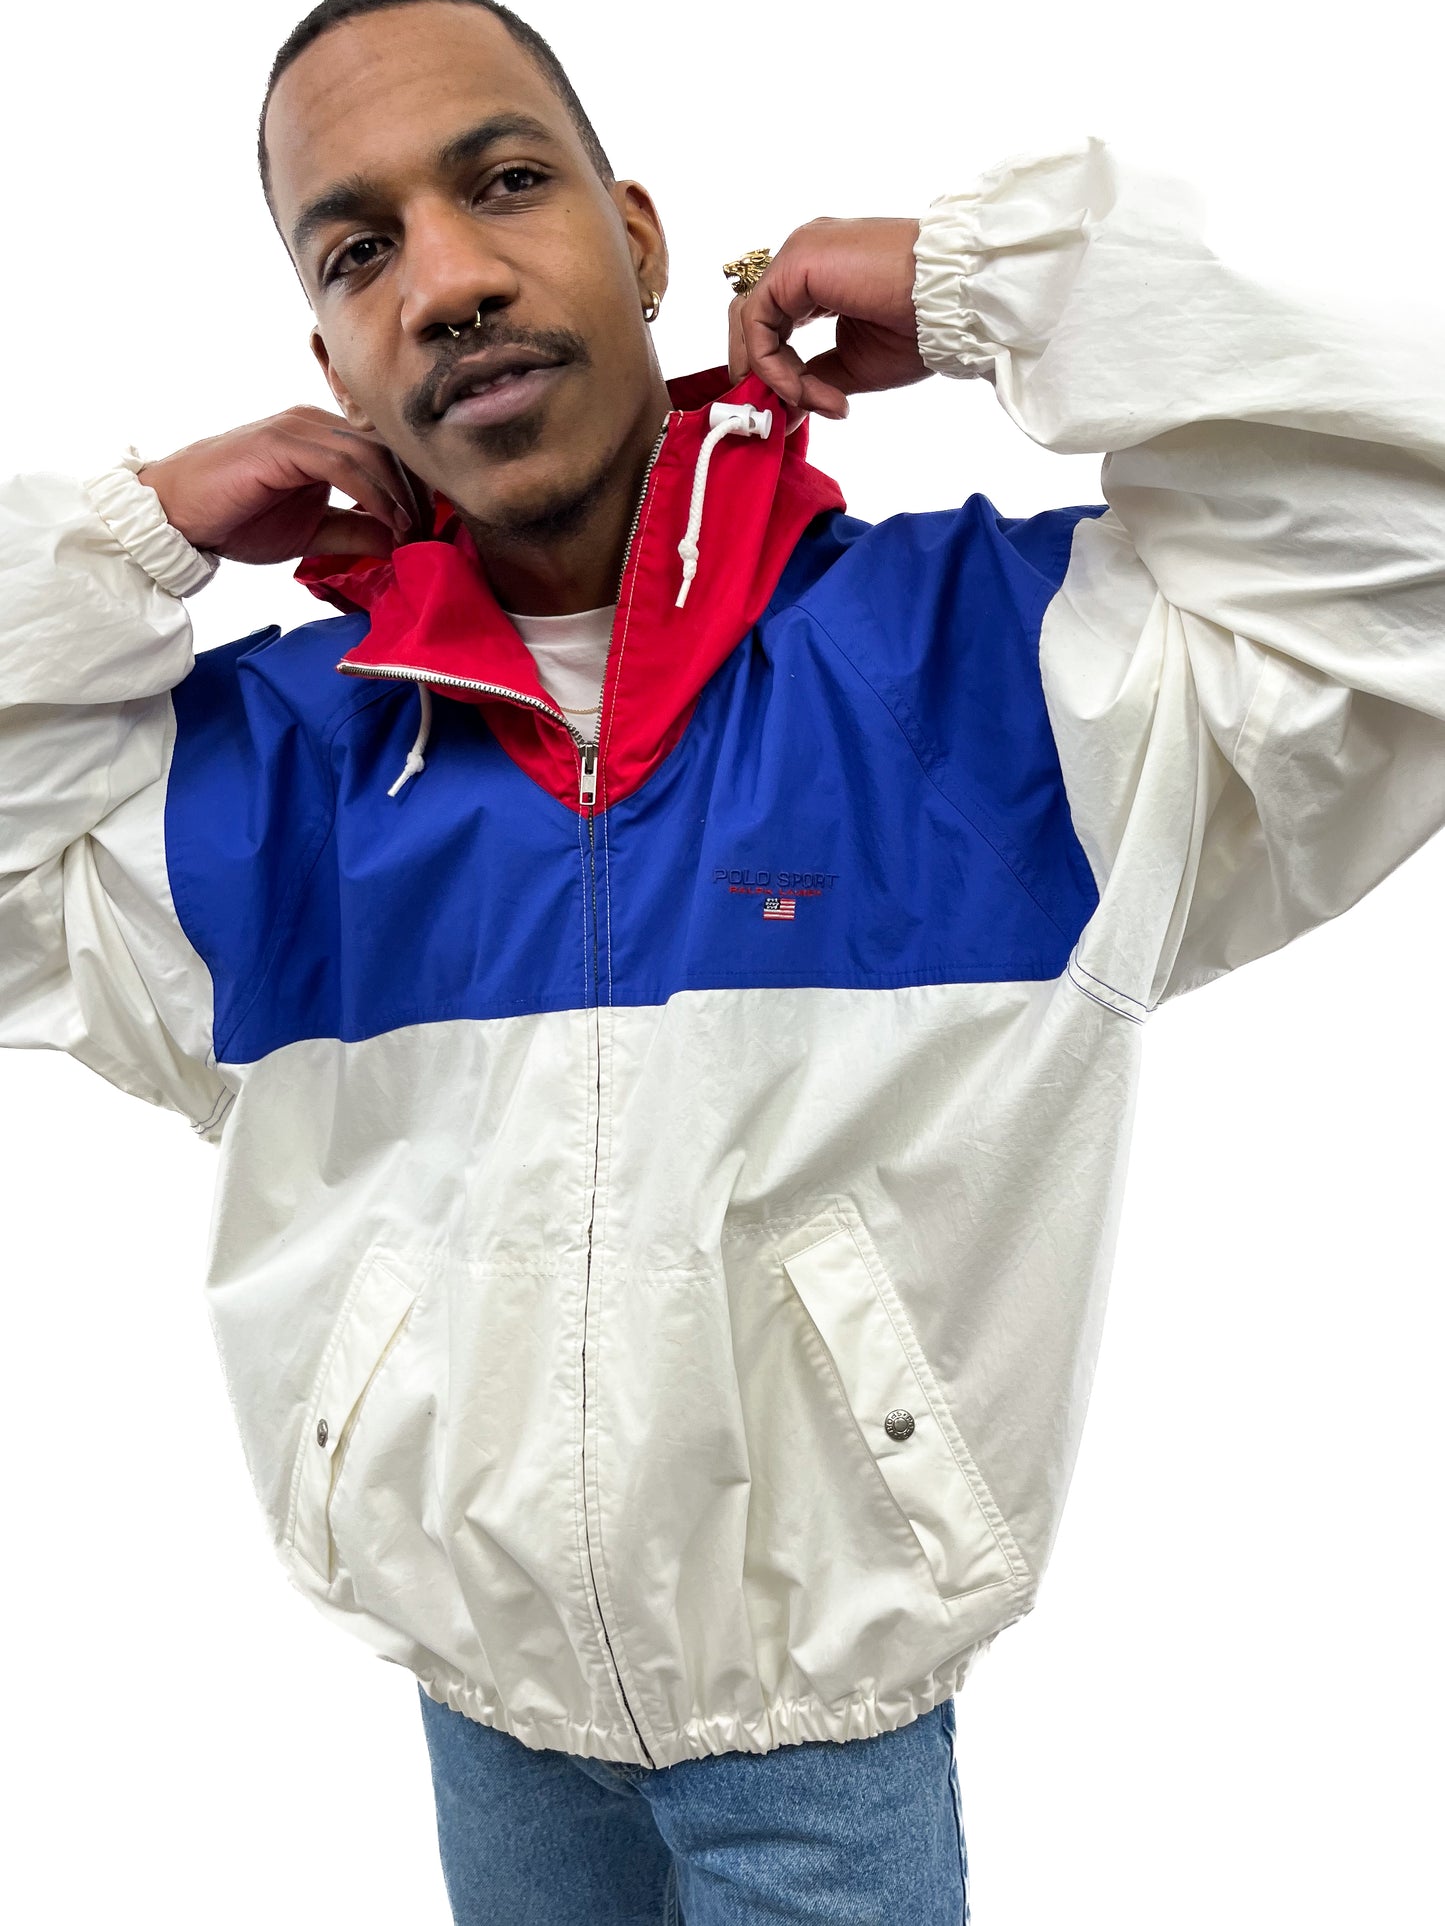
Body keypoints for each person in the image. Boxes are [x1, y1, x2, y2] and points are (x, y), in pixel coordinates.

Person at [2, 0, 1441, 1917]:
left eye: (506, 181)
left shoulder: (996, 673)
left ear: (639, 239)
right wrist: (127, 541)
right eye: (356, 251)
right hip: (480, 1723)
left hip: (826, 1758)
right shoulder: (274, 779)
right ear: (329, 357)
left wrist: (992, 290)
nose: (445, 280)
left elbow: (1412, 531)